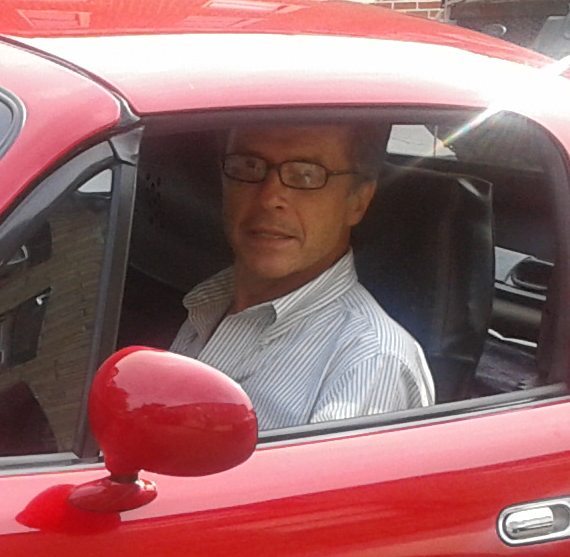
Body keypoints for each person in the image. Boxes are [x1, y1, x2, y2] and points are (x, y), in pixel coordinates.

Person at [170, 121, 435, 428]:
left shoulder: (370, 362)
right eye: (249, 166)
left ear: (358, 201)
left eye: (307, 175)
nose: (269, 198)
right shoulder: (208, 306)